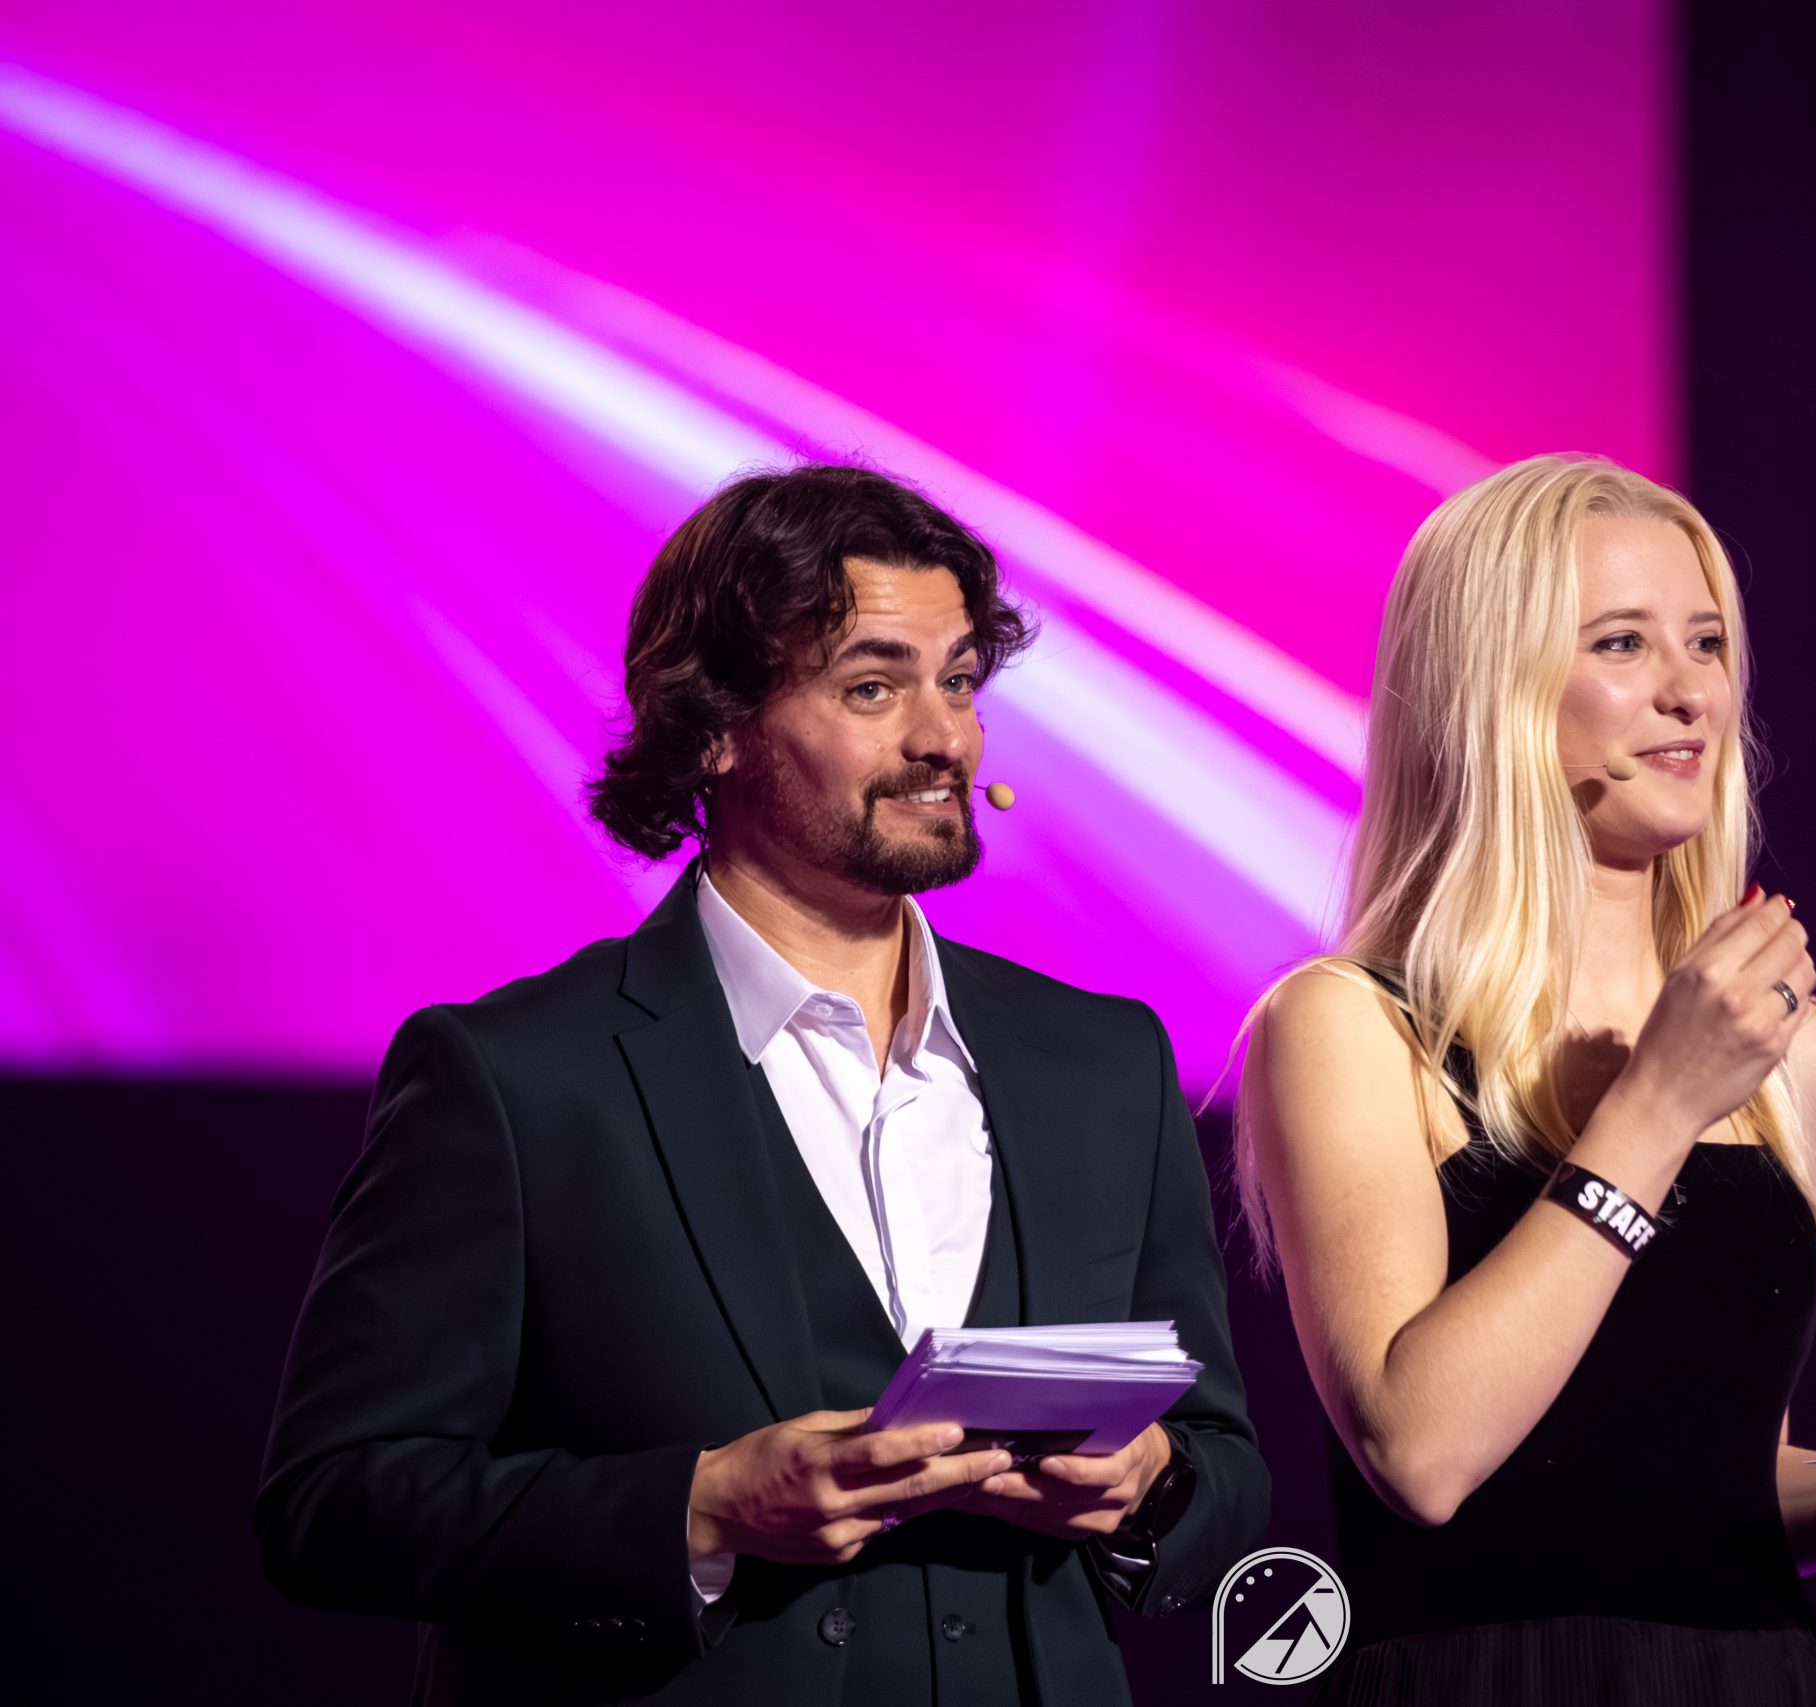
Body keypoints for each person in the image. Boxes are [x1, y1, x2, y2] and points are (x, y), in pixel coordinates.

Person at [257, 462, 1268, 1706]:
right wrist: (699, 1508)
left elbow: (1223, 1468)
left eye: (958, 681)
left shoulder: (1104, 1062)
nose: (944, 738)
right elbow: (333, 1503)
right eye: (872, 687)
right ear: (715, 727)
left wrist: (1153, 1484)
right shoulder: (517, 1077)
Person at [1234, 454, 1816, 1705]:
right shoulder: (1352, 1025)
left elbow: (1701, 1481)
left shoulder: (1788, 1051)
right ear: (1492, 686)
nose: (1690, 691)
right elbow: (1420, 1453)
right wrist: (1652, 1106)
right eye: (1621, 643)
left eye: (1705, 643)